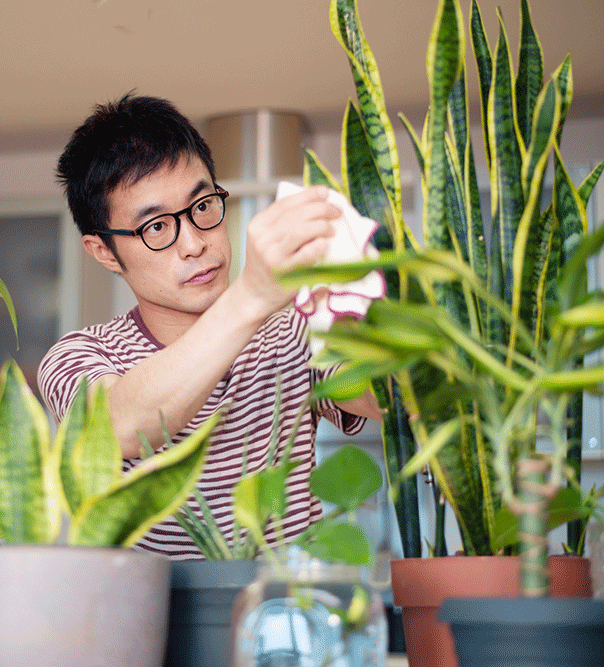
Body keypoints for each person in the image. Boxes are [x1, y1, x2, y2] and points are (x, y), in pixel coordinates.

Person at [38, 94, 382, 559]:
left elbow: (394, 400)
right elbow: (117, 426)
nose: (195, 243)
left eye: (202, 206)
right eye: (156, 227)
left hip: (286, 617)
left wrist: (354, 288)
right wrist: (253, 296)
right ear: (103, 251)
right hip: (152, 621)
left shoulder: (292, 333)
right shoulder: (80, 355)